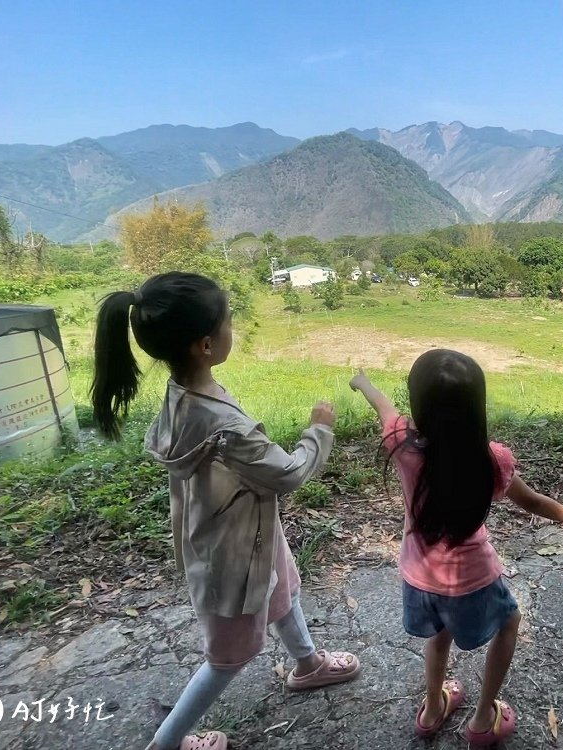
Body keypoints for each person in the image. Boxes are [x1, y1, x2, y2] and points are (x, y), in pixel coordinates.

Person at [92, 272, 360, 750]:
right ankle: (167, 742)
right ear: (206, 345)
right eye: (229, 322)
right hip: (232, 556)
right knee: (227, 656)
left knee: (283, 588)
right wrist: (318, 431)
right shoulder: (226, 425)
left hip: (245, 531)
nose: (234, 328)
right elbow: (288, 473)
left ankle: (307, 664)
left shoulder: (183, 396)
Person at [350, 349, 563, 745]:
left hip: (419, 576)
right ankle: (482, 719)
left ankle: (434, 708)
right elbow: (532, 502)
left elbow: (383, 407)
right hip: (472, 578)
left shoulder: (402, 446)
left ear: (419, 405)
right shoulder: (492, 459)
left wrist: (364, 382)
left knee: (438, 633)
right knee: (508, 623)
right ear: (477, 407)